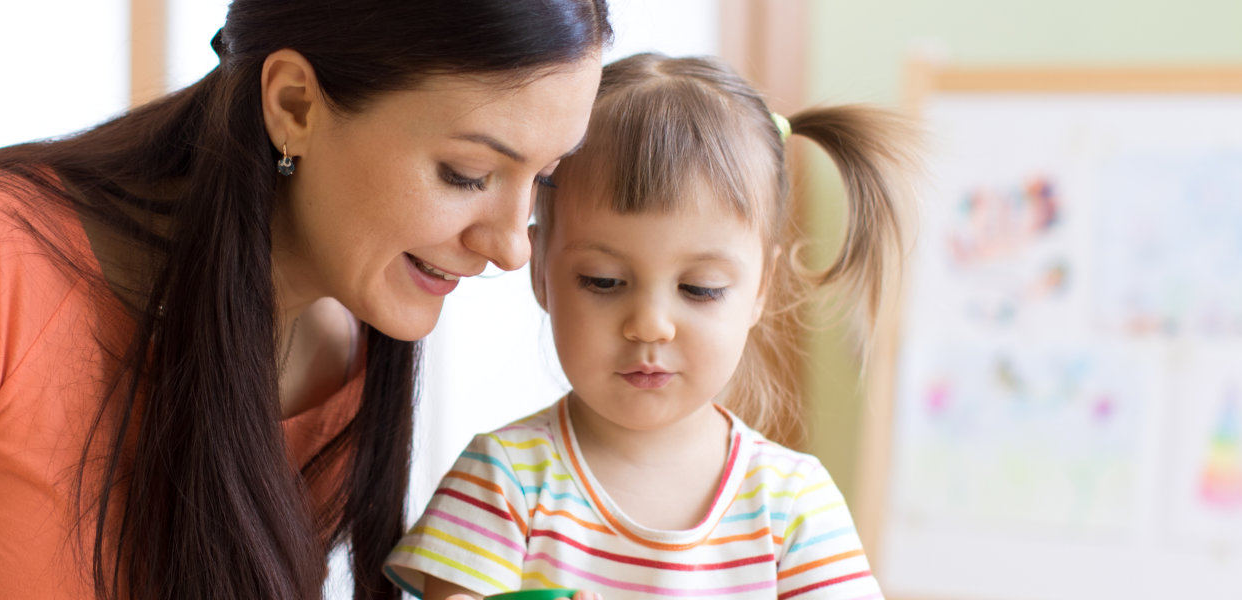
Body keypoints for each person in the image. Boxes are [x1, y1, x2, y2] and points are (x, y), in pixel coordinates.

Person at [0, 2, 610, 599]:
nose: (507, 245)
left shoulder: (343, 348)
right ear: (294, 102)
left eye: (545, 178)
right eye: (467, 173)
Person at [383, 53, 915, 600]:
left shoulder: (795, 504)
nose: (650, 326)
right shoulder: (502, 482)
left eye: (700, 288)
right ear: (540, 269)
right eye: (604, 281)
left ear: (761, 288)